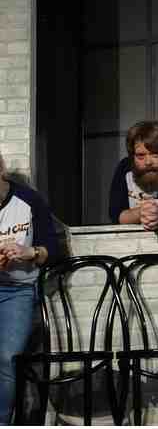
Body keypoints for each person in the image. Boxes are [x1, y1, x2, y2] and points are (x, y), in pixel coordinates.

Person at [0, 153, 59, 424]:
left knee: (6, 357)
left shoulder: (29, 200)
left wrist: (30, 252)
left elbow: (53, 250)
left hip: (18, 290)